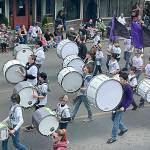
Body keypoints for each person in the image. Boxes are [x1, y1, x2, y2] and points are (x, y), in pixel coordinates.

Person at [107, 72, 133, 144]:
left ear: (125, 80)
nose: (120, 80)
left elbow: (130, 99)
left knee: (116, 123)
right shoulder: (119, 85)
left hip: (121, 107)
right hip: (115, 106)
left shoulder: (128, 88)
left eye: (121, 79)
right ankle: (124, 129)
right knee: (113, 119)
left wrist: (124, 107)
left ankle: (113, 137)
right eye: (120, 79)